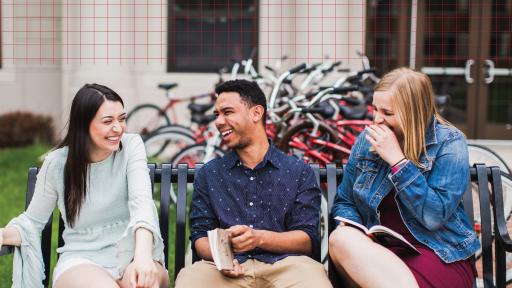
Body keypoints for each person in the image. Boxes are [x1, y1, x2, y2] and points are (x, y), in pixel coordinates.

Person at [0, 83, 169, 288]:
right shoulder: (57, 163)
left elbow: (141, 202)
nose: (118, 128)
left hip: (133, 255)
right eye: (108, 121)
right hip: (82, 261)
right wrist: (2, 235)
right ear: (83, 125)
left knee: (144, 284)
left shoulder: (131, 146)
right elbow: (32, 223)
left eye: (122, 119)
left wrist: (143, 258)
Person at [329, 67, 479, 287]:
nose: (377, 119)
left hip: (437, 252)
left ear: (414, 112)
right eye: (375, 109)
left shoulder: (449, 143)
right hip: (379, 253)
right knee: (340, 239)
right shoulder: (367, 140)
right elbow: (345, 201)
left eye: (387, 113)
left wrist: (398, 162)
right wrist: (355, 228)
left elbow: (434, 217)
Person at [175, 79, 332, 288]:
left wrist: (258, 238)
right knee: (190, 281)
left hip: (286, 266)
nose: (219, 121)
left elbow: (306, 239)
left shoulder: (298, 171)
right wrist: (223, 254)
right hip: (226, 267)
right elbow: (200, 237)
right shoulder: (210, 173)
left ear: (256, 113)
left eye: (227, 112)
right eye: (216, 115)